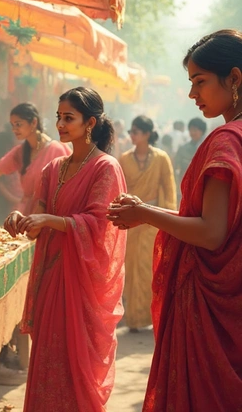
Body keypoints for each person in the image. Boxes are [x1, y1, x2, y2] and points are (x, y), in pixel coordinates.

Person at [107, 29, 242, 411]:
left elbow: (212, 234)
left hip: (212, 311)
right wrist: (145, 212)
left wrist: (146, 213)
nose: (192, 94)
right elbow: (206, 221)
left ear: (234, 79)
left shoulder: (227, 141)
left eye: (200, 82)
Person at [5, 87, 127, 411]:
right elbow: (37, 225)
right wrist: (21, 221)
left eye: (68, 117)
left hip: (79, 284)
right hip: (49, 277)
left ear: (90, 123)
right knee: (47, 357)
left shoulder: (105, 167)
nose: (60, 123)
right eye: (58, 116)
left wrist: (49, 219)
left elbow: (100, 224)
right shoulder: (52, 169)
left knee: (73, 362)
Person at [119, 115, 176, 332]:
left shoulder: (161, 158)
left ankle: (153, 317)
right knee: (131, 268)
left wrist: (169, 221)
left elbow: (169, 189)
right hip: (131, 221)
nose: (131, 135)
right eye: (131, 131)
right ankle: (134, 318)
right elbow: (120, 188)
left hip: (153, 220)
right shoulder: (124, 158)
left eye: (135, 131)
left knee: (151, 268)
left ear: (147, 134)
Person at [174, 117, 207, 200]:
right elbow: (176, 166)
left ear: (202, 131)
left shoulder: (207, 147)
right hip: (185, 187)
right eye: (191, 130)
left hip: (202, 187)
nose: (192, 133)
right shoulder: (183, 148)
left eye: (195, 130)